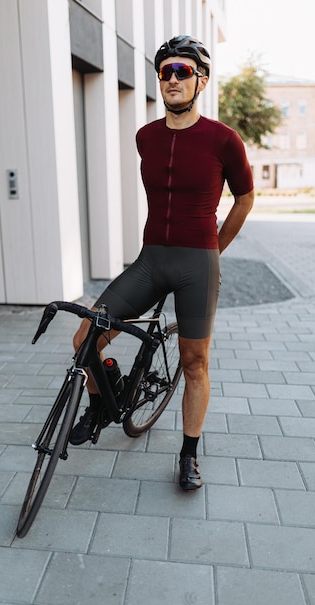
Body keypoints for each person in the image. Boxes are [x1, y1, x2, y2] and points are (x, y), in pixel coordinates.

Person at [69, 35, 254, 492]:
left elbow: (246, 198)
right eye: (165, 71)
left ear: (201, 81)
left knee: (195, 362)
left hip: (198, 262)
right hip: (151, 259)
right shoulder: (146, 137)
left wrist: (214, 248)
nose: (172, 79)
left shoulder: (223, 139)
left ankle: (188, 456)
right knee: (84, 337)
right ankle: (100, 406)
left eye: (183, 72)